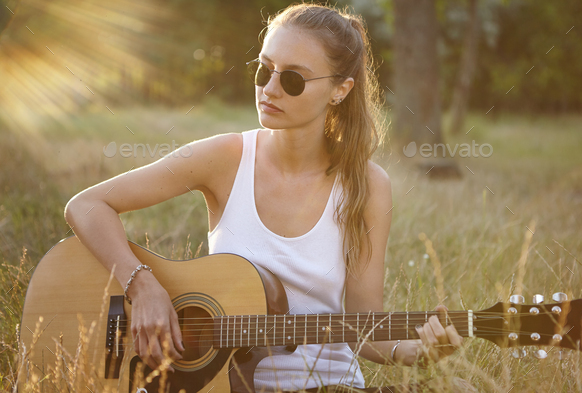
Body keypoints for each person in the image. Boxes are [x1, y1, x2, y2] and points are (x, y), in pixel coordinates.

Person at [64, 2, 463, 392]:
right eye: (264, 70)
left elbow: (365, 324)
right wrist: (143, 286)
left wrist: (412, 351)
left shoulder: (368, 185)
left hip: (329, 385)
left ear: (340, 90)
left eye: (293, 79)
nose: (270, 89)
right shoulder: (223, 158)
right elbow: (87, 205)